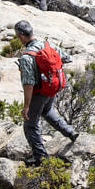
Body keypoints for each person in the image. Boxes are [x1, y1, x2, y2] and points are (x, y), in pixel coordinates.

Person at [15, 20, 78, 165]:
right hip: (52, 87)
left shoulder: (26, 56)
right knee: (47, 111)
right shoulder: (48, 44)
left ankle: (41, 159)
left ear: (21, 36)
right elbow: (67, 58)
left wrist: (26, 107)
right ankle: (70, 132)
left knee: (30, 125)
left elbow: (29, 84)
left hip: (39, 92)